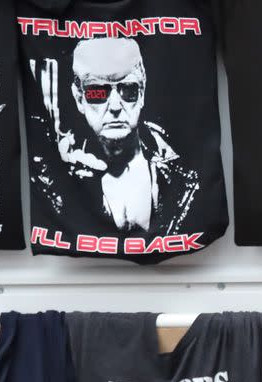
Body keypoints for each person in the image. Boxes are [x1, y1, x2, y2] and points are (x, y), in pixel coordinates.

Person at [66, 37, 198, 236]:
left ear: (142, 93)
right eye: (97, 92)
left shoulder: (181, 170)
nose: (115, 107)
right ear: (79, 98)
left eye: (128, 90)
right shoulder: (60, 176)